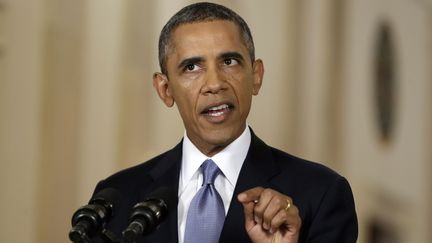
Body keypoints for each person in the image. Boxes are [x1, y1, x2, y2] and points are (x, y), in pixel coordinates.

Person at [91, 2, 358, 243]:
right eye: (192, 67)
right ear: (165, 89)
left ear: (256, 76)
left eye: (229, 61)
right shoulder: (118, 197)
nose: (215, 84)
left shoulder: (322, 194)